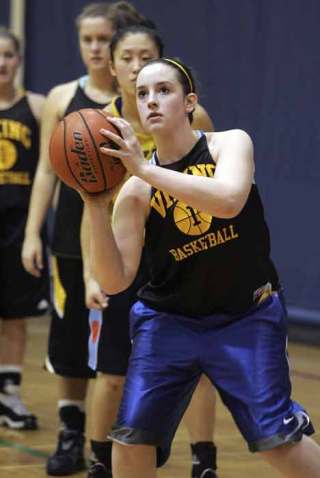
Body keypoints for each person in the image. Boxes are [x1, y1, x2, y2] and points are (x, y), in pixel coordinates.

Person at [82, 57, 320, 478]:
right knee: (131, 440)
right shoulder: (136, 191)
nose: (151, 101)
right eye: (142, 94)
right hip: (168, 322)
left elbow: (228, 201)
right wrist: (95, 205)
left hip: (246, 317)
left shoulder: (229, 144)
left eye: (164, 91)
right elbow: (115, 280)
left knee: (278, 443)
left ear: (189, 101)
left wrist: (146, 172)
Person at [21, 3, 154, 477]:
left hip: (128, 239)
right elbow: (43, 173)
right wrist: (33, 231)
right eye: (88, 41)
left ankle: (122, 435)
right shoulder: (63, 97)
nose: (95, 49)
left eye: (104, 40)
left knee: (121, 350)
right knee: (72, 340)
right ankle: (70, 432)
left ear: (119, 45)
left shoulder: (147, 102)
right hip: (75, 236)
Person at [82, 25, 218, 478]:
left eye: (148, 56)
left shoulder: (195, 119)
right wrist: (89, 274)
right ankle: (100, 459)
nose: (137, 64)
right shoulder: (94, 124)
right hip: (125, 255)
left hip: (183, 253)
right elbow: (93, 207)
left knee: (199, 369)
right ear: (114, 65)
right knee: (113, 371)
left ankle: (204, 461)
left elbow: (215, 193)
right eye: (128, 57)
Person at [0, 28, 49, 430]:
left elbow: (52, 169)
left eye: (8, 55)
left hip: (20, 226)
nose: (1, 62)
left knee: (15, 315)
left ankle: (9, 395)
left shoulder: (37, 107)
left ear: (18, 59)